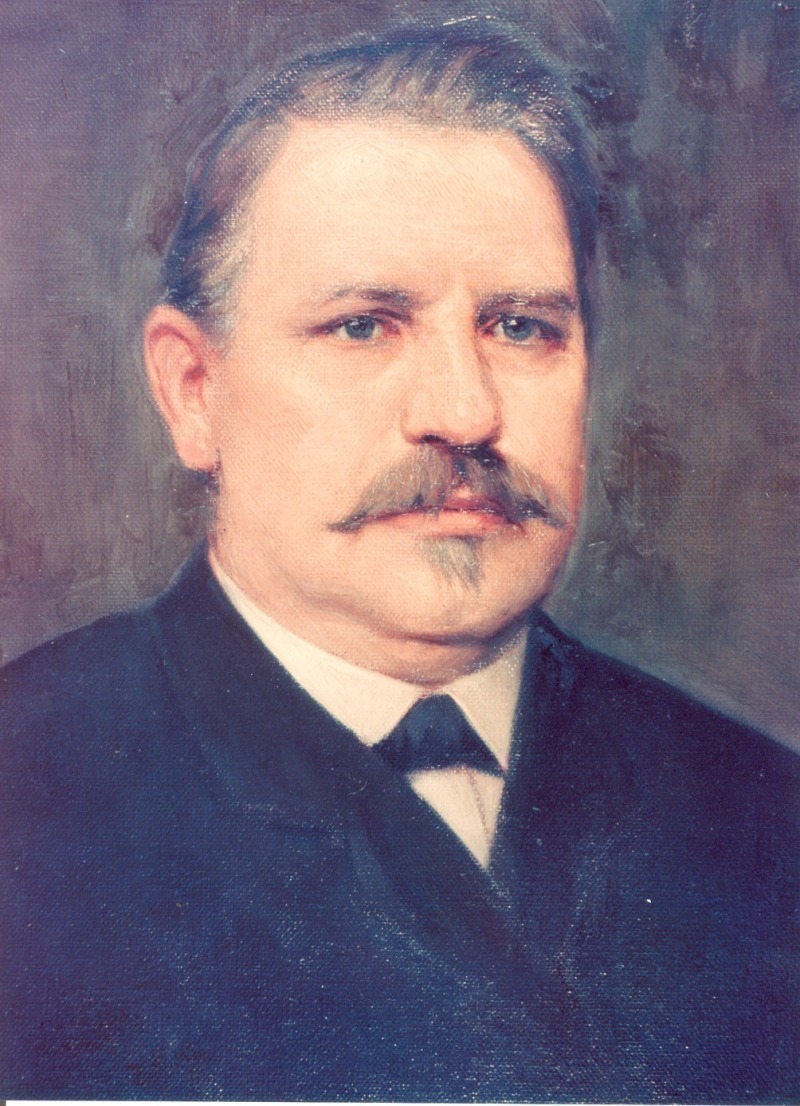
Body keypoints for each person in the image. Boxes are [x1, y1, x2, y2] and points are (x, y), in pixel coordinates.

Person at [1, 23, 797, 1103]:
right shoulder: (29, 789)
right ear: (195, 391)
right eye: (364, 327)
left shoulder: (760, 810)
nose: (464, 412)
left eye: (521, 327)